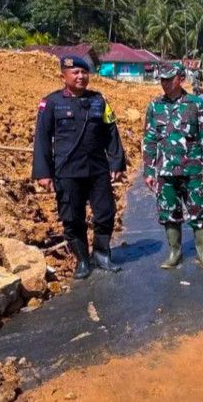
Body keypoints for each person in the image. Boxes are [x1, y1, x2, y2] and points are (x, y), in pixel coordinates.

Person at [32, 56, 126, 279]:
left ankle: (102, 254)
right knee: (72, 218)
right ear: (63, 76)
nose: (81, 76)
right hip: (67, 171)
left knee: (105, 213)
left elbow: (111, 132)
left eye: (84, 72)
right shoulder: (51, 103)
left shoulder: (99, 101)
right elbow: (42, 139)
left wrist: (116, 162)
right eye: (75, 72)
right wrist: (43, 172)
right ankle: (83, 259)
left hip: (97, 169)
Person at [142, 62, 203, 270]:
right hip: (165, 171)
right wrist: (148, 170)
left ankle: (202, 252)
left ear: (180, 79)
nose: (164, 83)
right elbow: (149, 139)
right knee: (168, 211)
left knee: (199, 210)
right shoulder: (155, 106)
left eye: (168, 79)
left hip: (192, 170)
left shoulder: (196, 104)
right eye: (162, 79)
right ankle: (175, 252)